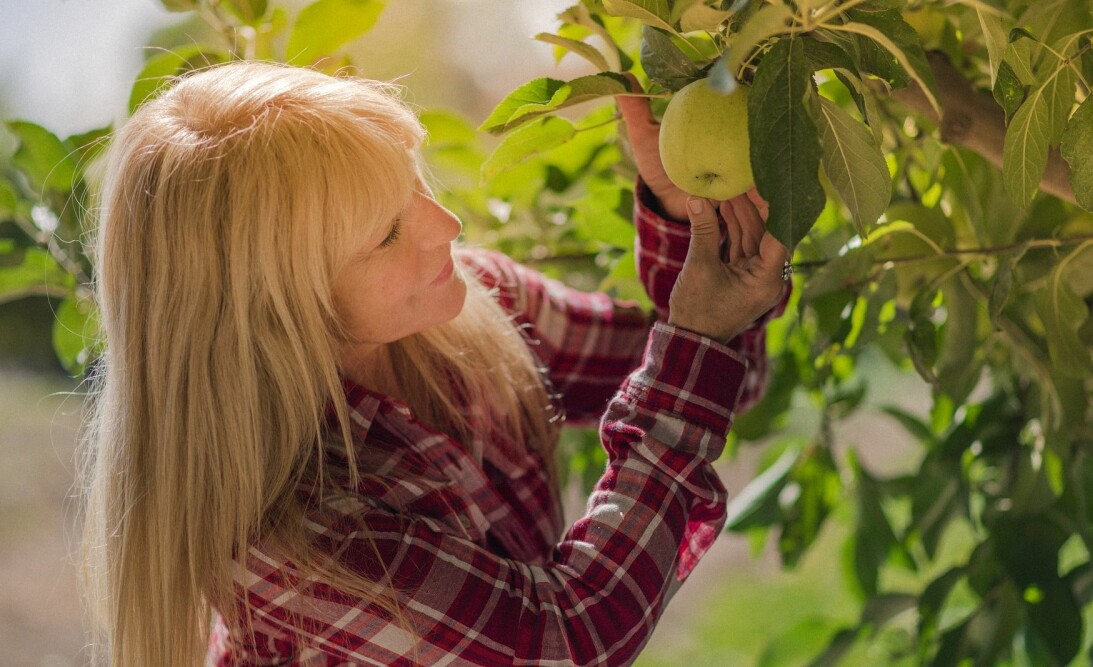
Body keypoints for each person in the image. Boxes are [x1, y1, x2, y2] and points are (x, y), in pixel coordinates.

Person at [80, 60, 791, 666]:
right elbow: (565, 641)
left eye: (411, 182)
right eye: (387, 232)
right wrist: (697, 338)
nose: (445, 225)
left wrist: (686, 222)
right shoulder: (285, 535)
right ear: (277, 312)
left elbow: (718, 375)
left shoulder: (475, 308)